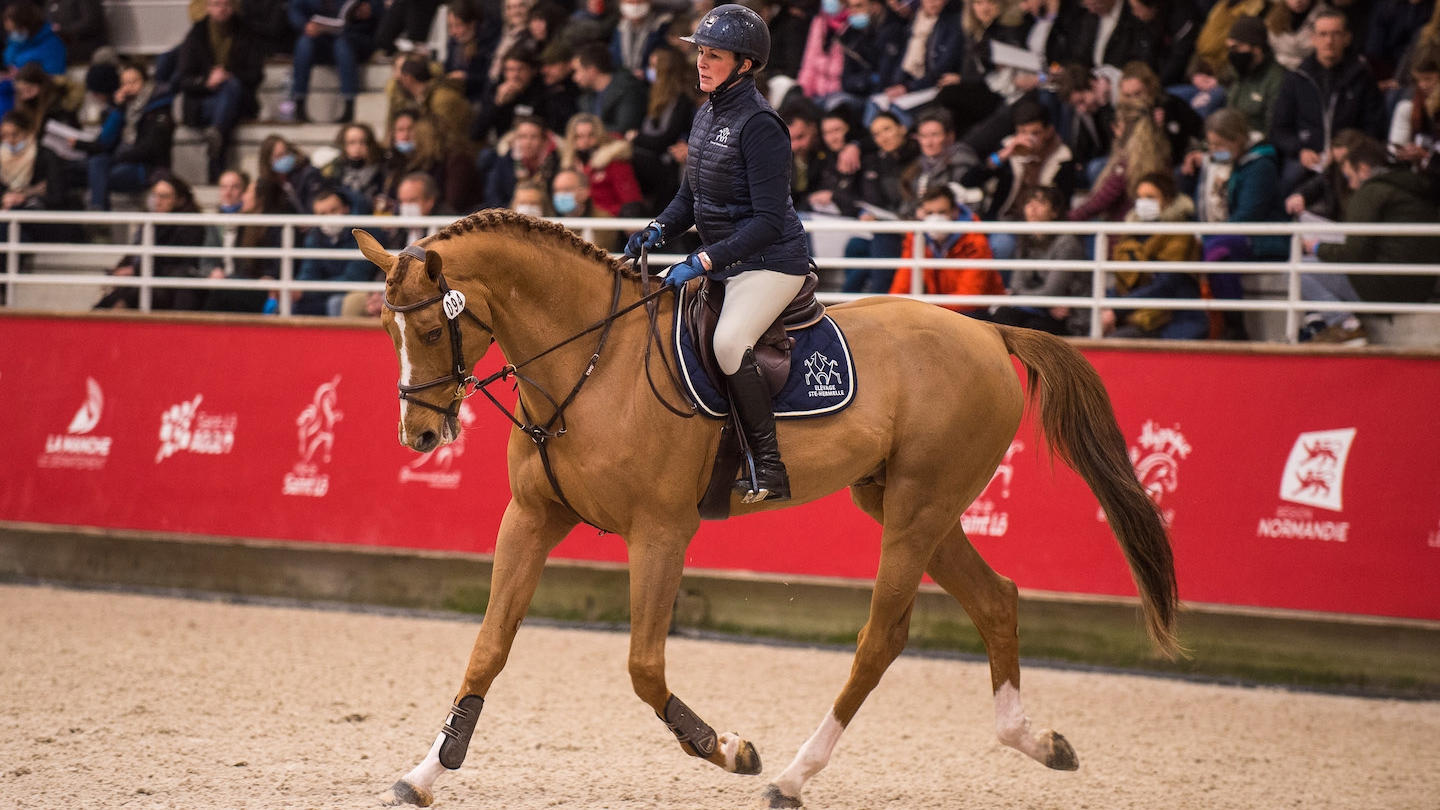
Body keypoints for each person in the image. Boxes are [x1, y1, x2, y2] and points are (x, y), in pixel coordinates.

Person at [622, 4, 811, 504]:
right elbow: (691, 198)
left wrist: (704, 260)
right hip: (728, 257)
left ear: (745, 64)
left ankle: (769, 466)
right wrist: (658, 227)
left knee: (729, 343)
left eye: (715, 56)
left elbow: (769, 221)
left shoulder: (762, 125)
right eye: (701, 53)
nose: (702, 63)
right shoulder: (706, 112)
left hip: (770, 261)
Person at [1301, 136, 1440, 344]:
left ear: (1364, 169)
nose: (1351, 185)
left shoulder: (1371, 192)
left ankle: (1345, 325)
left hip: (1387, 288)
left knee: (1299, 270)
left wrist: (1318, 247)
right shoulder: (1412, 187)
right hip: (1418, 286)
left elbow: (1354, 253)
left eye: (1349, 177)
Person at [1270, 9, 1387, 194]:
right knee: (1287, 184)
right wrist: (1300, 150)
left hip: (1350, 156)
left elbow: (1375, 126)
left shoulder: (1362, 78)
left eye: (1335, 34)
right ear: (1313, 38)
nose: (1329, 41)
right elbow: (1279, 129)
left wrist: (1347, 149)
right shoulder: (1297, 78)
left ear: (1347, 38)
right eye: (1323, 34)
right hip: (1307, 157)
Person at [1104, 170, 1208, 339]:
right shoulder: (1132, 235)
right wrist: (1107, 307)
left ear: (1168, 200)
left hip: (1175, 320)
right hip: (1137, 316)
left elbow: (1166, 285)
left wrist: (1116, 308)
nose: (1144, 203)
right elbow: (1122, 282)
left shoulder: (1180, 234)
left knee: (1115, 342)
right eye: (1140, 197)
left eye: (1151, 197)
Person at [173, 0, 264, 183]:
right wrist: (208, 82)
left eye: (225, 4)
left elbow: (256, 74)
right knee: (223, 110)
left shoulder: (246, 32)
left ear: (232, 7)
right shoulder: (196, 35)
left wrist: (228, 76)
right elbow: (185, 79)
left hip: (239, 98)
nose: (221, 9)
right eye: (216, 4)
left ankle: (216, 143)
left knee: (231, 88)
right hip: (204, 101)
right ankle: (217, 138)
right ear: (207, 7)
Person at [980, 185, 1088, 335]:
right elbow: (1016, 285)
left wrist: (1030, 300)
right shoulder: (1026, 238)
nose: (1032, 208)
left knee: (1032, 328)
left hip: (1069, 317)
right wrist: (1045, 304)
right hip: (1039, 309)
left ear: (1054, 212)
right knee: (1002, 316)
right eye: (1029, 202)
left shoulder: (1067, 243)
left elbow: (1052, 291)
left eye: (1041, 203)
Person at [94, 174, 207, 310]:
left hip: (171, 288)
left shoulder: (191, 226)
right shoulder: (148, 224)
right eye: (155, 195)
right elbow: (134, 254)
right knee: (109, 301)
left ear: (180, 200)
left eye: (164, 196)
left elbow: (178, 264)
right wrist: (118, 270)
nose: (157, 201)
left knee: (129, 296)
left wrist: (134, 271)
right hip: (145, 280)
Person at [888, 184, 1005, 313]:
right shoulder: (917, 238)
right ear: (922, 213)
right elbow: (903, 282)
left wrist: (929, 311)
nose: (935, 218)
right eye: (930, 213)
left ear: (955, 211)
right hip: (940, 311)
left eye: (942, 212)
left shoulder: (974, 240)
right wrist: (892, 310)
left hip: (978, 312)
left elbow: (970, 295)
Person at [834, 111, 915, 293]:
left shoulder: (917, 159)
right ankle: (849, 302)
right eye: (877, 134)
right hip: (884, 225)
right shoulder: (874, 161)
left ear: (902, 129)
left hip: (906, 229)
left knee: (880, 244)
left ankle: (864, 300)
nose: (883, 137)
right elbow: (859, 197)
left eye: (887, 129)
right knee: (855, 246)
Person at [79, 60, 175, 211]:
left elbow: (151, 148)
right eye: (124, 83)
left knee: (100, 177)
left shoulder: (159, 109)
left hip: (146, 167)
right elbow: (104, 142)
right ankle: (98, 213)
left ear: (145, 82)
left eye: (134, 82)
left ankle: (100, 218)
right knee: (96, 162)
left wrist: (120, 158)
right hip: (121, 161)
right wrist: (117, 109)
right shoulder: (123, 109)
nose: (129, 88)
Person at [1067, 98, 1170, 222]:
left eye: (1117, 125)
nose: (1113, 129)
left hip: (1124, 234)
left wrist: (1063, 220)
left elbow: (1098, 203)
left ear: (1124, 128)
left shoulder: (1127, 163)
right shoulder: (1162, 155)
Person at [286, 0, 380, 124]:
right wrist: (305, 25)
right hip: (320, 38)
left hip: (353, 35)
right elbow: (294, 9)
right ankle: (299, 102)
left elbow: (379, 6)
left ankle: (349, 103)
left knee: (342, 46)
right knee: (304, 43)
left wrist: (370, 9)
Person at [630, 44, 696, 210]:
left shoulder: (682, 101)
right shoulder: (652, 96)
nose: (649, 70)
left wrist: (636, 138)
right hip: (652, 159)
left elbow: (665, 139)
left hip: (668, 163)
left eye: (654, 66)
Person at [295, 188, 376, 315]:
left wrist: (310, 290)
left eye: (333, 210)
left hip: (360, 292)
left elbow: (353, 278)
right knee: (293, 303)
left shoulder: (363, 234)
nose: (329, 218)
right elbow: (307, 274)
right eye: (322, 214)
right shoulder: (314, 238)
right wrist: (298, 290)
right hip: (325, 293)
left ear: (346, 209)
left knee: (335, 302)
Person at [559, 112, 643, 217]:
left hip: (610, 221)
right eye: (579, 137)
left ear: (599, 135)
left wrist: (590, 194)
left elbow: (630, 201)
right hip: (576, 220)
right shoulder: (569, 166)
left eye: (591, 135)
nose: (585, 141)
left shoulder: (614, 161)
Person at [898, 107, 977, 216]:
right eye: (923, 136)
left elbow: (974, 209)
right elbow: (905, 209)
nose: (928, 143)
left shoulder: (963, 165)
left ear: (950, 136)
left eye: (935, 135)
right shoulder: (915, 170)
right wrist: (914, 215)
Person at [1223, 15, 1288, 136]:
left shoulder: (1277, 78)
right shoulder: (1238, 72)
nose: (1232, 54)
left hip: (1260, 149)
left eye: (1236, 47)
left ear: (1257, 48)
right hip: (1231, 143)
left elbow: (1273, 128)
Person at [392, 53, 472, 150]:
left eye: (400, 80)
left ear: (408, 79)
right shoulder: (431, 97)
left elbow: (444, 139)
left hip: (463, 154)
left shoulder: (441, 100)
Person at [0, 1, 66, 118]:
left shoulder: (51, 44)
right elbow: (9, 63)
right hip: (13, 92)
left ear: (27, 25)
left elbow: (54, 76)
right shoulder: (14, 43)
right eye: (11, 31)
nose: (14, 34)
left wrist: (20, 77)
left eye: (17, 30)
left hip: (35, 98)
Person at [571, 42, 648, 135]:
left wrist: (591, 131)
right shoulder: (586, 96)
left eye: (577, 71)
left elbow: (625, 129)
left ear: (592, 70)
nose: (575, 78)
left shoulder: (628, 89)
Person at [482, 114, 558, 209]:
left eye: (534, 137)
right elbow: (493, 196)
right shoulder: (504, 162)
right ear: (514, 139)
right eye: (522, 137)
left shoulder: (556, 163)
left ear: (543, 140)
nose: (527, 142)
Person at [320, 122, 388, 213]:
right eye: (351, 143)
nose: (357, 147)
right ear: (343, 145)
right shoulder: (333, 169)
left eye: (363, 142)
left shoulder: (382, 169)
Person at [44, 0, 109, 65]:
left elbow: (90, 23)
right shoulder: (50, 2)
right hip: (60, 43)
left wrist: (62, 30)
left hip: (85, 43)